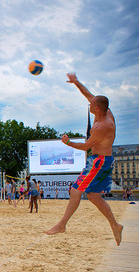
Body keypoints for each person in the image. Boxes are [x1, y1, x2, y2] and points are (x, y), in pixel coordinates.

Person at [45, 72, 123, 245]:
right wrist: (76, 82)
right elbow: (88, 93)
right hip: (104, 160)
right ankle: (115, 225)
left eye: (91, 104)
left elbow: (85, 147)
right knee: (94, 196)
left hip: (99, 161)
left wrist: (68, 142)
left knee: (75, 190)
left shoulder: (103, 126)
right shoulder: (105, 111)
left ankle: (61, 225)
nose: (89, 103)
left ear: (96, 108)